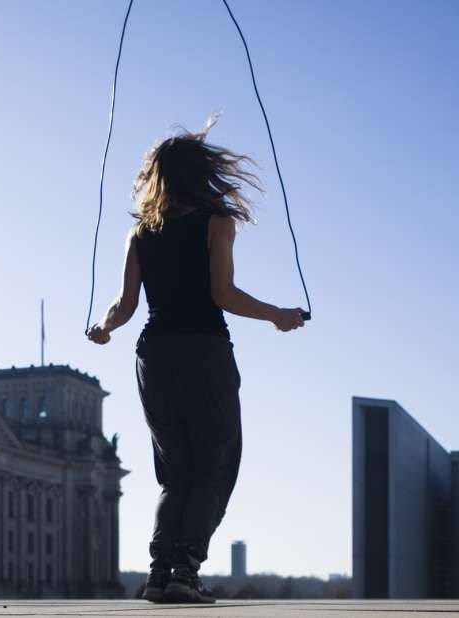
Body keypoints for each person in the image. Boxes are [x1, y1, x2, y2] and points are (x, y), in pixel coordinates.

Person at [86, 118, 305, 604]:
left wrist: (103, 327)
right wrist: (277, 315)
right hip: (204, 351)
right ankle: (185, 570)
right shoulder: (217, 222)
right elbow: (222, 294)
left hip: (154, 356)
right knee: (214, 462)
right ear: (201, 174)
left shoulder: (140, 233)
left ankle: (159, 573)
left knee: (174, 470)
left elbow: (125, 306)